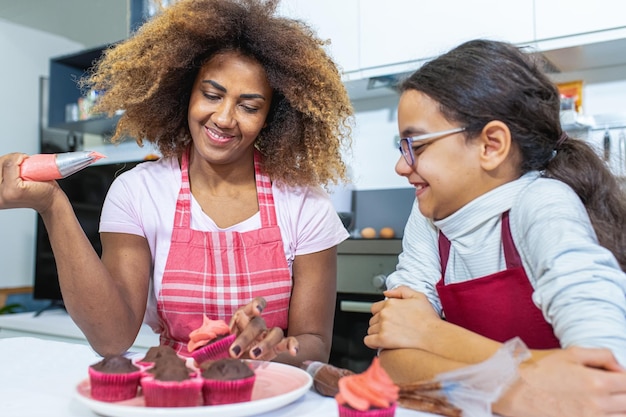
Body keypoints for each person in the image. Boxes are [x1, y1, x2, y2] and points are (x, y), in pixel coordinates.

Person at [0, 0, 353, 366]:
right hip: (174, 390)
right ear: (185, 91)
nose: (224, 118)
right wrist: (52, 206)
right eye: (212, 95)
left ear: (272, 117)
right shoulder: (138, 192)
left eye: (249, 107)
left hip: (271, 390)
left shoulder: (305, 202)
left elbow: (314, 342)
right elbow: (111, 337)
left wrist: (273, 352)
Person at [364, 39, 626, 416]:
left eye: (415, 145)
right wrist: (521, 384)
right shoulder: (430, 216)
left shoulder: (542, 204)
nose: (401, 166)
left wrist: (431, 334)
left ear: (491, 145)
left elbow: (604, 378)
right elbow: (393, 363)